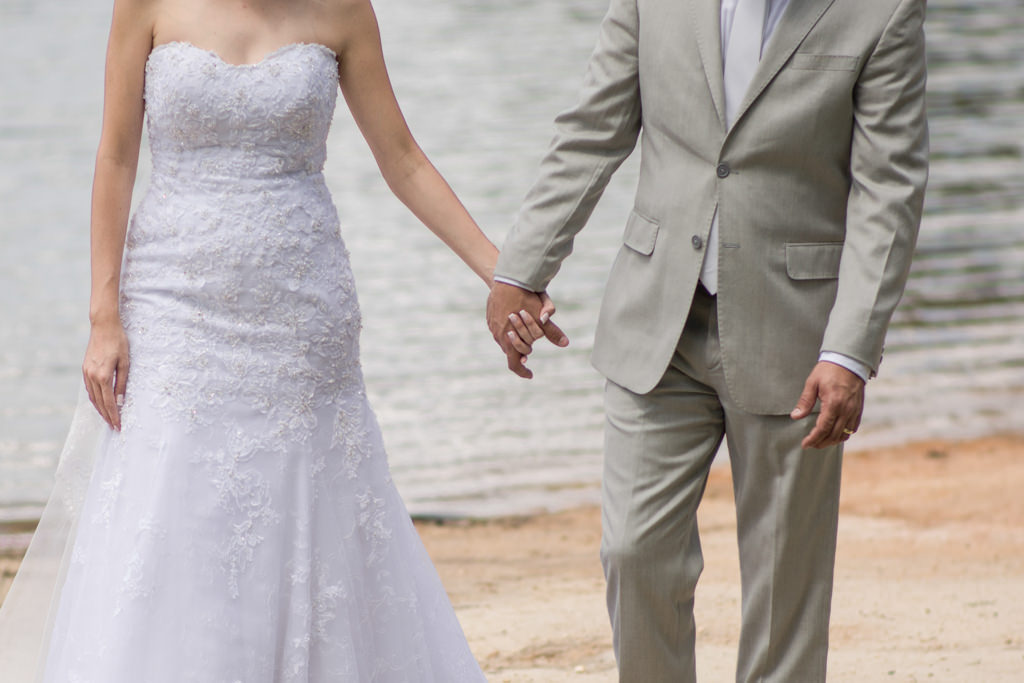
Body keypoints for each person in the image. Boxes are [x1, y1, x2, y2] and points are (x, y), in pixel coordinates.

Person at [0, 0, 547, 680]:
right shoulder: (147, 3)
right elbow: (114, 157)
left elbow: (402, 160)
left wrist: (504, 273)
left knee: (309, 511)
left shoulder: (344, 9)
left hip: (303, 320)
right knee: (172, 503)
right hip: (172, 307)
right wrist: (102, 316)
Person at [487, 0, 928, 680]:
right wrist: (523, 268)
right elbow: (594, 130)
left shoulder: (883, 9)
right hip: (655, 319)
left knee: (786, 588)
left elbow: (888, 189)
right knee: (633, 552)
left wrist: (849, 349)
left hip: (798, 338)